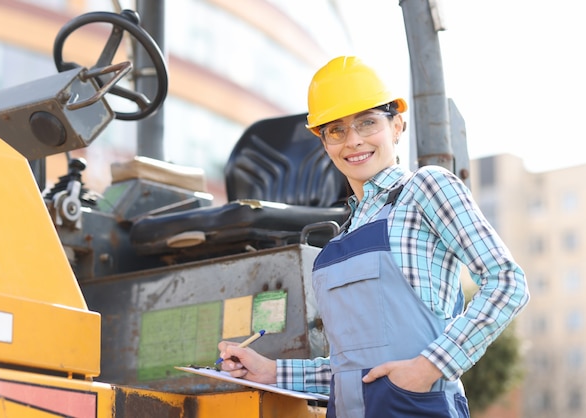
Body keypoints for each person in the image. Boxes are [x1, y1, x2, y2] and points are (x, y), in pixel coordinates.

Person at [217, 56, 530, 418]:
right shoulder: (334, 243)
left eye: (367, 123)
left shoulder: (426, 187)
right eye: (335, 130)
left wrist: (429, 368)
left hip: (416, 409)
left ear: (397, 126)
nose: (353, 141)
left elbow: (508, 282)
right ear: (323, 142)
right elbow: (352, 371)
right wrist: (271, 371)